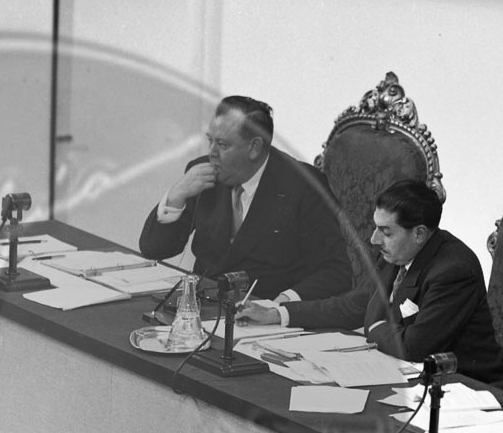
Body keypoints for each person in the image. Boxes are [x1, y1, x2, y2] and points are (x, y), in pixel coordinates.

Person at [239, 179, 503, 381]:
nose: (374, 239)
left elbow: (413, 347)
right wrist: (278, 313)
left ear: (419, 233)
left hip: (468, 388)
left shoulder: (454, 270)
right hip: (407, 375)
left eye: (386, 232)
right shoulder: (398, 251)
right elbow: (356, 305)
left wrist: (375, 325)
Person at [138, 95, 352, 301]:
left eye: (223, 145)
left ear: (254, 148)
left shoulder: (304, 185)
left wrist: (285, 302)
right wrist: (177, 195)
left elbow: (336, 270)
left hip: (265, 310)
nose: (212, 153)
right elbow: (153, 249)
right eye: (210, 141)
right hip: (203, 303)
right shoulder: (203, 173)